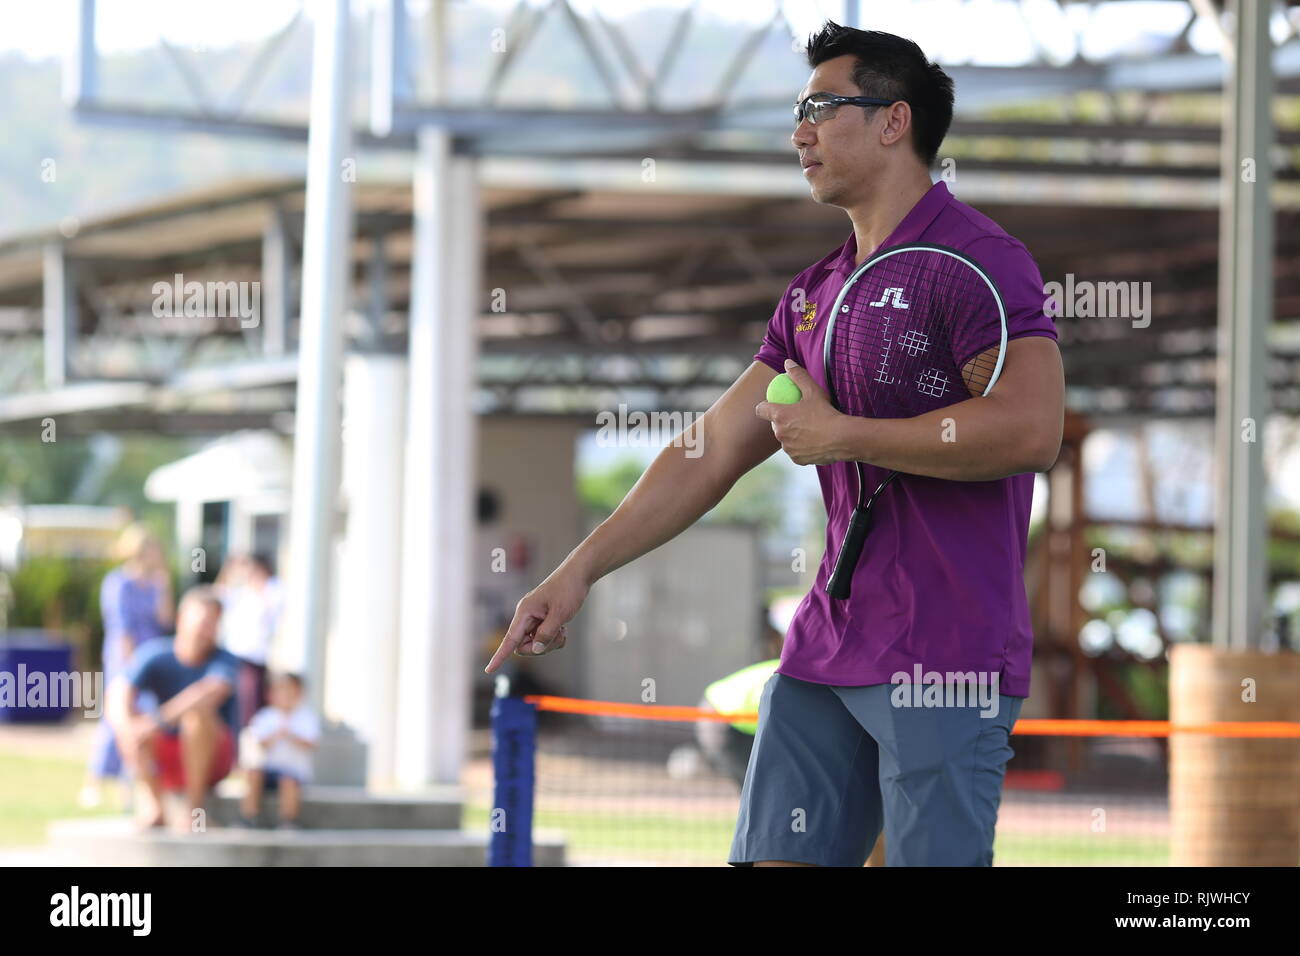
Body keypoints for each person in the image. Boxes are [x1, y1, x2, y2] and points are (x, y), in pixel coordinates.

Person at [486, 23, 1064, 867]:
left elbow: (1030, 428)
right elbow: (711, 449)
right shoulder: (812, 295)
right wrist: (576, 571)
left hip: (946, 654)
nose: (800, 132)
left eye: (822, 108)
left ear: (894, 122)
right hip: (825, 645)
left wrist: (846, 436)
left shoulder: (977, 262)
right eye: (799, 111)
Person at [108, 586, 239, 832]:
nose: (206, 629)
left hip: (213, 756)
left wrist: (156, 721)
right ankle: (155, 807)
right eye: (202, 621)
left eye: (213, 623)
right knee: (130, 721)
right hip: (165, 753)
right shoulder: (154, 654)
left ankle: (194, 809)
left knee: (197, 717)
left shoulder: (225, 660)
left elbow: (209, 692)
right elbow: (118, 692)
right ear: (181, 620)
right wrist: (128, 729)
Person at [82, 524, 174, 809]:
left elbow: (166, 622)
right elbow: (121, 627)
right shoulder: (118, 582)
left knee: (143, 719)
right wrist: (131, 667)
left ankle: (129, 787)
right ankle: (94, 780)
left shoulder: (157, 584)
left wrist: (165, 585)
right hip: (126, 659)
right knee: (115, 717)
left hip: (151, 658)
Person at [236, 672, 320, 829]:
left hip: (295, 771)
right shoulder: (265, 716)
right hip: (269, 769)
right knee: (253, 774)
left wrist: (291, 735)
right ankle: (249, 816)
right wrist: (277, 735)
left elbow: (311, 744)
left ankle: (288, 820)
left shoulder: (307, 717)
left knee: (288, 781)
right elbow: (259, 743)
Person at [215, 552, 283, 728]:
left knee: (251, 708)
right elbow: (218, 596)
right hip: (236, 656)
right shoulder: (240, 593)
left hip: (256, 658)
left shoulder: (273, 591)